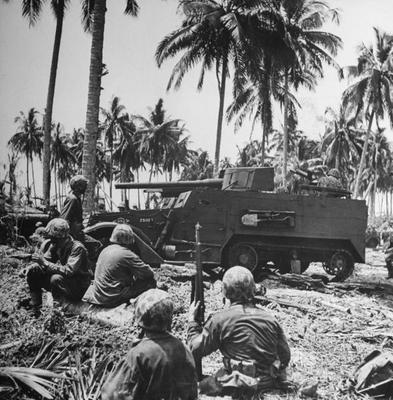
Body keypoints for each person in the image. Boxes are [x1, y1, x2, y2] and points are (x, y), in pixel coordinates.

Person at [187, 266, 291, 398]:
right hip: (266, 384)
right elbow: (285, 356)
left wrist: (192, 322)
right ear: (253, 289)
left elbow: (194, 349)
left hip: (237, 385)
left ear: (225, 291)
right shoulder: (270, 319)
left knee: (199, 389)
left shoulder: (220, 319)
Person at [101, 289, 198, 400]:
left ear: (141, 317)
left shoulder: (138, 354)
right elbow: (191, 392)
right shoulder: (184, 349)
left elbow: (112, 394)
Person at [83, 224, 156, 308]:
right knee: (150, 282)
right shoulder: (127, 254)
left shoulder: (106, 249)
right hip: (111, 299)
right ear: (130, 239)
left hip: (97, 295)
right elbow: (148, 273)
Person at [26, 218, 91, 308]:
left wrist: (44, 262)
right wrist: (31, 267)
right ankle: (35, 303)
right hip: (66, 283)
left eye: (52, 238)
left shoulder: (77, 248)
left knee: (56, 279)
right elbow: (45, 260)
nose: (50, 240)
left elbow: (69, 271)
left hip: (79, 286)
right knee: (34, 270)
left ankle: (58, 310)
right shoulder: (55, 245)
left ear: (59, 238)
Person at [60, 175, 88, 239]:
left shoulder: (77, 198)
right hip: (72, 234)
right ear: (78, 186)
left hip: (76, 232)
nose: (85, 187)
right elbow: (64, 218)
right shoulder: (73, 199)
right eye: (83, 185)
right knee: (96, 244)